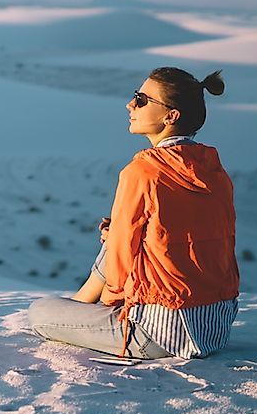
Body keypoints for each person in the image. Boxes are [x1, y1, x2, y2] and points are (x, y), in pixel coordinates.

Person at [28, 67, 239, 359]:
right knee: (117, 233)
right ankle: (80, 305)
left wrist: (113, 303)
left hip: (156, 332)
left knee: (40, 312)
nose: (130, 105)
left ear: (170, 116)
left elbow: (120, 263)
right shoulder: (215, 172)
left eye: (141, 100)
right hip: (214, 328)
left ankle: (79, 306)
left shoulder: (143, 172)